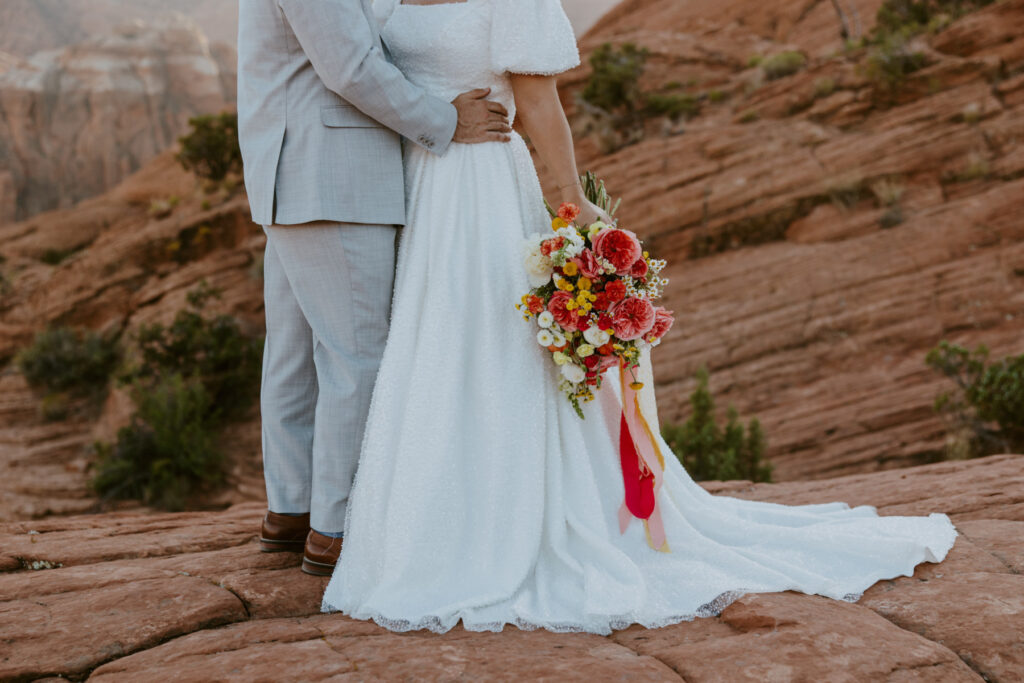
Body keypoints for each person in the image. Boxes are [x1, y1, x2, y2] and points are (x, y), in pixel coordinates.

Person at [319, 0, 958, 634]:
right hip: (418, 183)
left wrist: (571, 203)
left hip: (482, 188)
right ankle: (433, 520)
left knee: (488, 344)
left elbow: (540, 104)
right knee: (435, 350)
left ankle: (506, 519)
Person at [237, 0, 512, 575]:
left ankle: (292, 510)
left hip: (300, 170)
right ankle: (336, 530)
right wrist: (444, 120)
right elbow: (348, 66)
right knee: (356, 356)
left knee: (296, 356)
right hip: (332, 172)